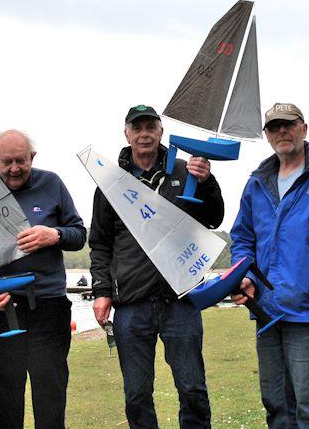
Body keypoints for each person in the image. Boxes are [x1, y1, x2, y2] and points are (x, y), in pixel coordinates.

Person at [89, 105, 224, 429]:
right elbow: (100, 244)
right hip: (132, 304)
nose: (144, 133)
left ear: (161, 131)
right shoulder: (110, 183)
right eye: (137, 127)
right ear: (127, 134)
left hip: (181, 299)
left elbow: (214, 218)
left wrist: (206, 183)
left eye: (151, 126)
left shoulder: (185, 171)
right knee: (136, 395)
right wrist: (102, 291)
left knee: (192, 389)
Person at [230, 102, 309, 428]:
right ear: (267, 135)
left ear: (304, 128)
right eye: (275, 127)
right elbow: (243, 239)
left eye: (289, 124)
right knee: (276, 407)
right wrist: (245, 278)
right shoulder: (257, 182)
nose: (282, 131)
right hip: (267, 314)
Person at [0, 129, 86, 429]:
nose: (13, 168)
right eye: (6, 162)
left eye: (20, 161)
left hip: (47, 307)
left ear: (32, 157)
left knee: (50, 397)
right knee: (3, 400)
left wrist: (55, 234)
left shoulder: (52, 184)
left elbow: (79, 235)